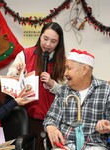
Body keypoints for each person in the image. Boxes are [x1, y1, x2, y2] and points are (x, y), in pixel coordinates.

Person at [43, 49, 110, 150]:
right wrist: (51, 126)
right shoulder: (63, 91)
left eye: (68, 68)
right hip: (66, 145)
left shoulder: (105, 89)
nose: (65, 73)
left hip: (95, 145)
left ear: (84, 70)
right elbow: (50, 118)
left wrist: (109, 127)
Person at [7, 22, 67, 150]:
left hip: (56, 121)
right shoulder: (25, 55)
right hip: (29, 118)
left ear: (59, 43)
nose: (47, 44)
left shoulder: (64, 62)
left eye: (53, 41)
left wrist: (53, 84)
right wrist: (18, 73)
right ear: (40, 36)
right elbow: (10, 81)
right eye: (45, 39)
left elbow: (69, 93)